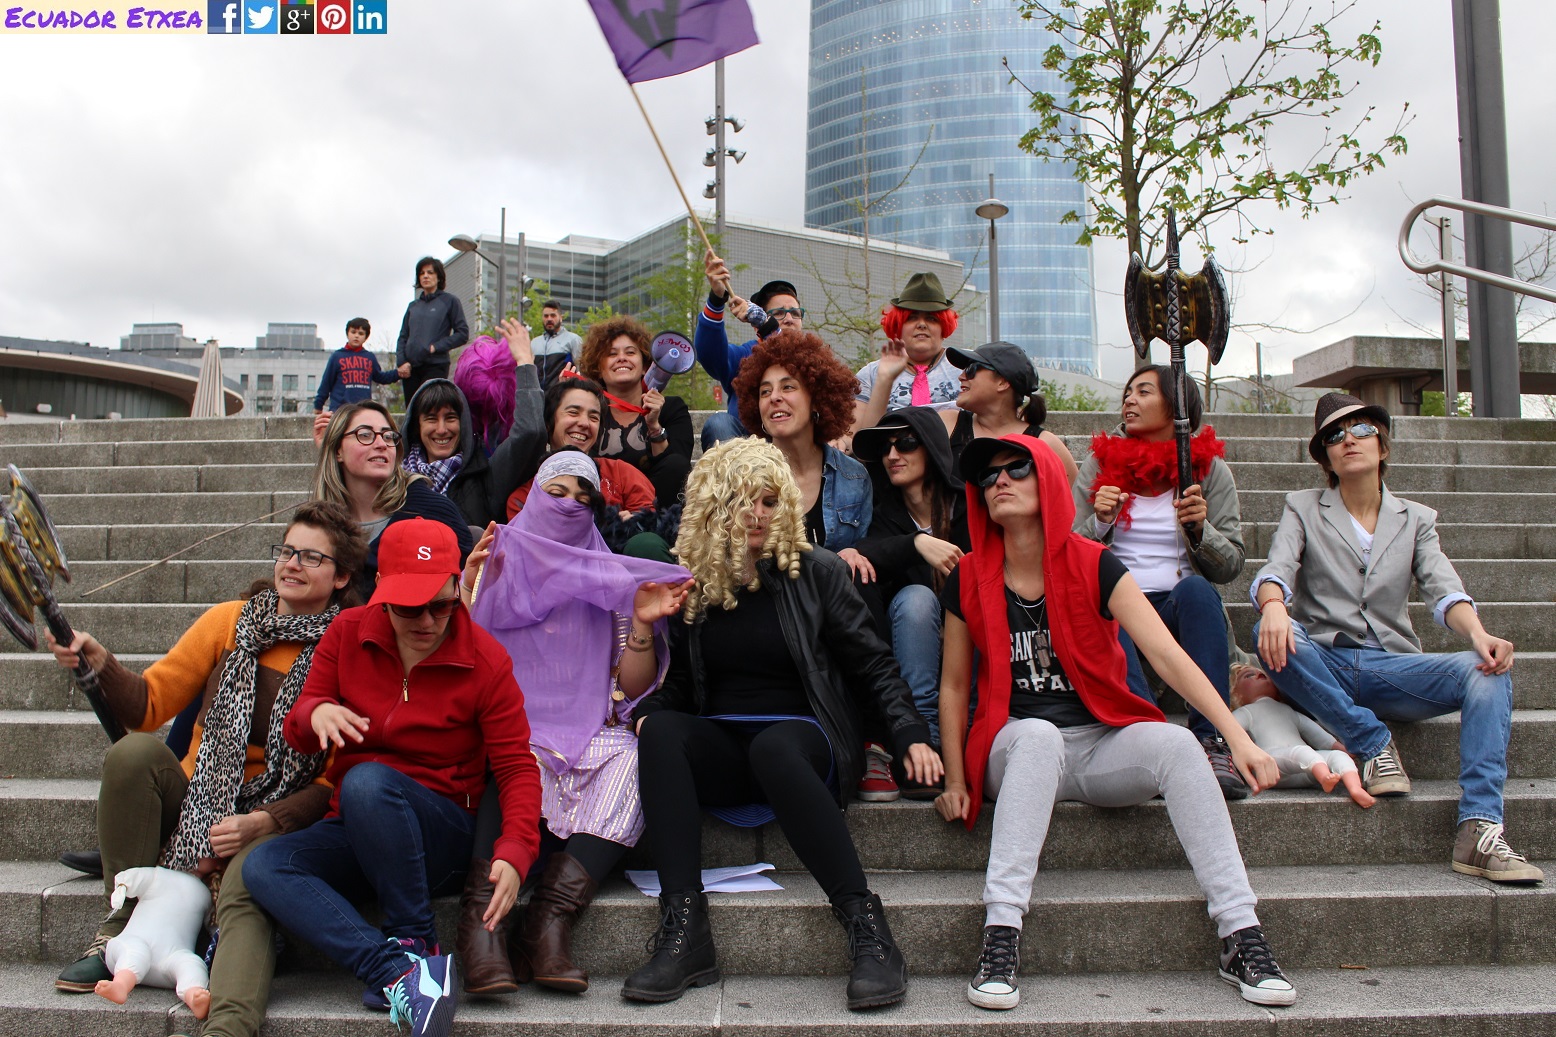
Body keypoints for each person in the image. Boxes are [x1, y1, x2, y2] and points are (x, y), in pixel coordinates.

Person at [934, 435, 1294, 1012]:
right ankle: (1000, 936)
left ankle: (1241, 934)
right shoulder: (968, 576)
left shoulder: (1095, 563)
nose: (999, 480)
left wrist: (1236, 739)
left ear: (1048, 480)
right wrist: (955, 779)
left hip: (1099, 745)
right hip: (1016, 749)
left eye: (1017, 468)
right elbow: (954, 685)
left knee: (1178, 743)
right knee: (1038, 736)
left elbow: (1167, 656)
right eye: (988, 475)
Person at [623, 439, 943, 1010]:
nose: (757, 514)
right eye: (742, 501)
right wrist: (648, 712)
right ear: (715, 506)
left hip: (804, 739)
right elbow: (684, 686)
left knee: (773, 747)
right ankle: (685, 931)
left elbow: (873, 665)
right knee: (664, 732)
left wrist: (909, 734)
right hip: (727, 747)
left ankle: (867, 926)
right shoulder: (698, 583)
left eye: (770, 501)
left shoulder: (817, 572)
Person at [49, 502, 367, 1037]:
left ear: (341, 576)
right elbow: (149, 705)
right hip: (197, 799)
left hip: (273, 818)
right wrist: (102, 664)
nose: (292, 564)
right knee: (133, 755)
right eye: (287, 551)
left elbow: (331, 781)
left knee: (249, 881)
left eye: (312, 557)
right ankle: (121, 926)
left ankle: (228, 1024)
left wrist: (263, 822)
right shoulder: (229, 621)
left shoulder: (347, 647)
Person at [243, 519, 543, 1037]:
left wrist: (515, 850)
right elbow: (300, 732)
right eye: (408, 607)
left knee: (367, 782)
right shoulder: (347, 632)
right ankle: (395, 971)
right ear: (381, 591)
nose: (426, 620)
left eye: (441, 605)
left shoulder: (486, 660)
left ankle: (416, 938)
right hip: (361, 825)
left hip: (441, 832)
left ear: (457, 587)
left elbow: (516, 765)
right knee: (265, 864)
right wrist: (313, 714)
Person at [1252, 392, 1542, 883]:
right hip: (1323, 663)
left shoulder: (1417, 519)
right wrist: (1274, 604)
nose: (1349, 440)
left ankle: (1480, 829)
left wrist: (1478, 633)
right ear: (1326, 458)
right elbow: (1275, 568)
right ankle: (1372, 741)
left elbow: (1444, 590)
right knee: (1268, 628)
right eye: (1335, 435)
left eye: (1361, 429)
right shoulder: (1302, 507)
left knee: (1487, 671)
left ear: (1382, 446)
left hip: (1392, 668)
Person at [455, 451, 694, 995]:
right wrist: (469, 589)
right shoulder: (495, 564)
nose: (569, 506)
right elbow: (464, 658)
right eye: (557, 493)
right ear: (533, 497)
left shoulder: (606, 576)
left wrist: (641, 624)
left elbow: (629, 688)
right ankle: (481, 927)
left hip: (586, 728)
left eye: (583, 499)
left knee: (631, 757)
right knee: (514, 754)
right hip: (511, 728)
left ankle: (549, 921)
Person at [1073, 363, 1249, 799]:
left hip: (1178, 608)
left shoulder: (1209, 471)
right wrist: (1100, 522)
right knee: (1110, 600)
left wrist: (1201, 531)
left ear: (1176, 405)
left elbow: (1231, 566)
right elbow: (1066, 552)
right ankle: (1147, 739)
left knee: (1198, 590)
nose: (1129, 400)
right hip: (1118, 607)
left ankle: (1213, 741)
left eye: (1143, 392)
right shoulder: (1099, 463)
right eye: (1127, 392)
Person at [851, 407, 968, 777]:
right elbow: (866, 551)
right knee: (916, 598)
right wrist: (917, 543)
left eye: (905, 443)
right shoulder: (883, 513)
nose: (892, 455)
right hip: (912, 645)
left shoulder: (969, 506)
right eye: (886, 448)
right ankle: (924, 737)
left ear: (931, 447)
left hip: (970, 640)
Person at [730, 329, 872, 558]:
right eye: (765, 391)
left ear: (816, 400)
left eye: (788, 387)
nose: (774, 397)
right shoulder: (739, 476)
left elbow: (865, 552)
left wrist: (856, 553)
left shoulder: (853, 477)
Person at [396, 317, 547, 528]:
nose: (442, 429)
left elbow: (530, 431)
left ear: (464, 422)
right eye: (431, 418)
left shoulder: (484, 477)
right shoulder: (393, 481)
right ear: (416, 426)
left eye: (451, 418)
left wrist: (524, 362)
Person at [312, 401, 474, 596]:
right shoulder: (320, 523)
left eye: (388, 436)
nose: (381, 444)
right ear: (338, 450)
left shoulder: (432, 511)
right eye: (365, 435)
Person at [577, 314, 694, 507]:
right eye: (612, 354)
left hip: (653, 508)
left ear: (645, 366)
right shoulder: (589, 411)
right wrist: (564, 402)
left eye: (630, 352)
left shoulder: (671, 408)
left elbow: (678, 469)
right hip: (602, 503)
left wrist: (654, 427)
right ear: (598, 369)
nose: (621, 358)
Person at [695, 248, 806, 448]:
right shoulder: (747, 356)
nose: (789, 319)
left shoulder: (815, 360)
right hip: (747, 456)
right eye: (778, 313)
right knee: (719, 423)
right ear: (756, 325)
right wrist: (716, 298)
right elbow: (710, 355)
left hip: (799, 449)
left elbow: (793, 358)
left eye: (795, 313)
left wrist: (768, 324)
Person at [1229, 664, 1375, 808]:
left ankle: (1355, 788)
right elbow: (1229, 731)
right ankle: (1324, 777)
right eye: (1249, 675)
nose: (1259, 675)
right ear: (1236, 695)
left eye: (1265, 674)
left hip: (1306, 769)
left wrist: (1338, 747)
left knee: (1337, 756)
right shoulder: (1246, 712)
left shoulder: (1289, 711)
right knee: (1302, 752)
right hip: (1271, 766)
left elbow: (1315, 733)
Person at [940, 340, 1077, 484]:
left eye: (971, 369)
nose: (961, 376)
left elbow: (1073, 495)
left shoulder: (1045, 443)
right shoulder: (946, 424)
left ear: (1003, 382)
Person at [852, 272, 963, 435]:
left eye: (931, 318)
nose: (922, 324)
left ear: (944, 326)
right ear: (898, 325)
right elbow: (859, 439)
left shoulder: (966, 366)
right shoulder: (870, 374)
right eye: (912, 318)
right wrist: (884, 380)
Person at [395, 256, 469, 405]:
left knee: (430, 407)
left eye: (430, 272)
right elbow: (403, 336)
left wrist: (435, 347)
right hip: (411, 368)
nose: (425, 276)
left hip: (435, 365)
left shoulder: (450, 301)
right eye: (422, 273)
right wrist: (401, 362)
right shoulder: (413, 306)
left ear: (438, 277)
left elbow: (462, 333)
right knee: (412, 411)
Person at [313, 317, 400, 413]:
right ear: (347, 333)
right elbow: (326, 383)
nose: (356, 336)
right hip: (340, 409)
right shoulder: (337, 356)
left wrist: (398, 373)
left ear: (366, 337)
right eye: (353, 332)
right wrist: (318, 406)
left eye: (361, 333)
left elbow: (380, 377)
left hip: (363, 410)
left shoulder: (369, 357)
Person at [534, 301, 581, 388]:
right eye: (546, 316)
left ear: (561, 318)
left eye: (553, 315)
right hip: (538, 394)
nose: (549, 319)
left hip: (562, 393)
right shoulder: (534, 343)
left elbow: (581, 370)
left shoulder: (573, 340)